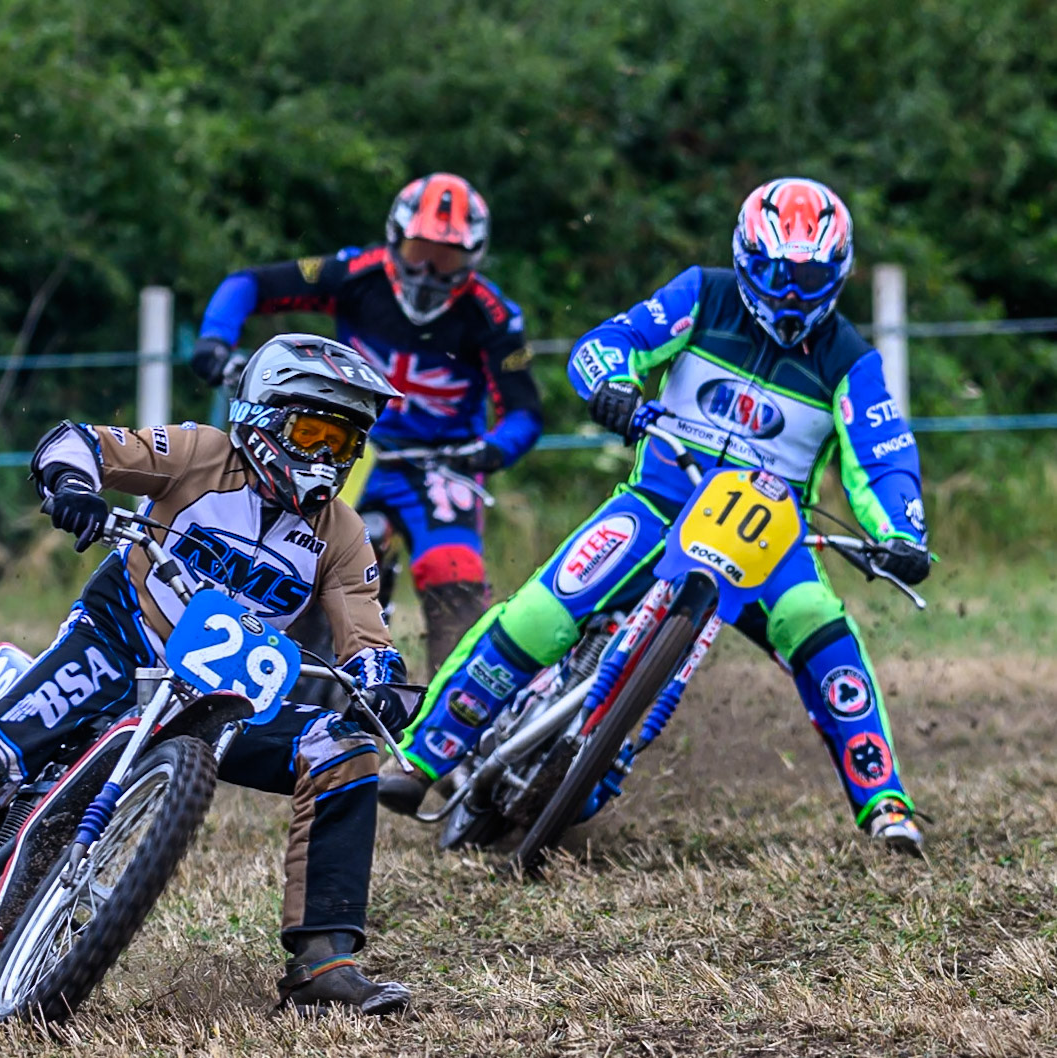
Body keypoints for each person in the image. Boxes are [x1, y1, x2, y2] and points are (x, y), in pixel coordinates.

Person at [0, 334, 416, 1014]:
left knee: (342, 749)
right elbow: (78, 443)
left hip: (224, 699)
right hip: (116, 644)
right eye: (309, 432)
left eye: (342, 442)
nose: (323, 456)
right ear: (260, 418)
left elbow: (365, 630)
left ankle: (323, 966)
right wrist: (73, 485)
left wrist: (379, 680)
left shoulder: (342, 534)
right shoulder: (198, 453)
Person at [387, 177, 931, 855]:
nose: (790, 294)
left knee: (817, 622)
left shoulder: (851, 360)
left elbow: (883, 459)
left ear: (838, 275)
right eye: (774, 273)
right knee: (539, 612)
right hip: (660, 501)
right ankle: (421, 756)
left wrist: (902, 533)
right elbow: (609, 343)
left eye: (810, 278)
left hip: (769, 539)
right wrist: (613, 386)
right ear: (744, 258)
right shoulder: (702, 294)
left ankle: (885, 804)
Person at [190, 173, 544, 685]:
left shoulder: (492, 315)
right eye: (419, 251)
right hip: (347, 448)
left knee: (454, 573)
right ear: (394, 238)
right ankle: (287, 690)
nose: (428, 272)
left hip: (441, 462)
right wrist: (215, 340)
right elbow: (249, 283)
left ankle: (454, 712)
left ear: (475, 257)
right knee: (309, 561)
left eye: (446, 259)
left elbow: (525, 413)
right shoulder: (357, 273)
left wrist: (491, 451)